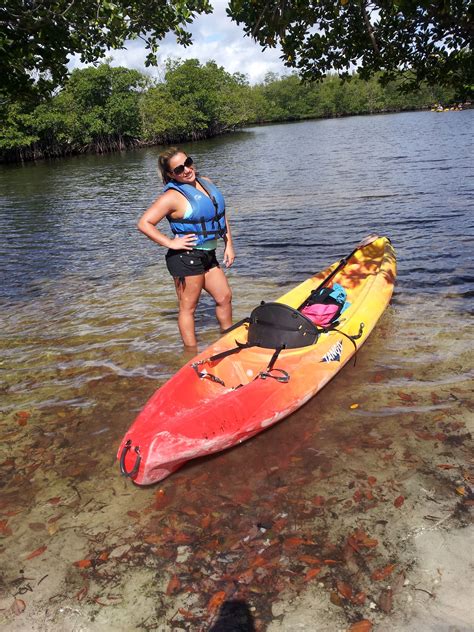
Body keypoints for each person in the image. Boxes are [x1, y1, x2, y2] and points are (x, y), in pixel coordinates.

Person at [137, 147, 234, 349]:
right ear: (172, 174)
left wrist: (228, 244)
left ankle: (229, 341)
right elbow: (144, 223)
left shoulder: (206, 182)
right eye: (179, 169)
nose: (187, 170)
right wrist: (171, 242)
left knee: (224, 296)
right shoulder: (172, 197)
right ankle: (190, 355)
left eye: (187, 163)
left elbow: (219, 214)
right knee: (188, 308)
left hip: (208, 254)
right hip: (185, 257)